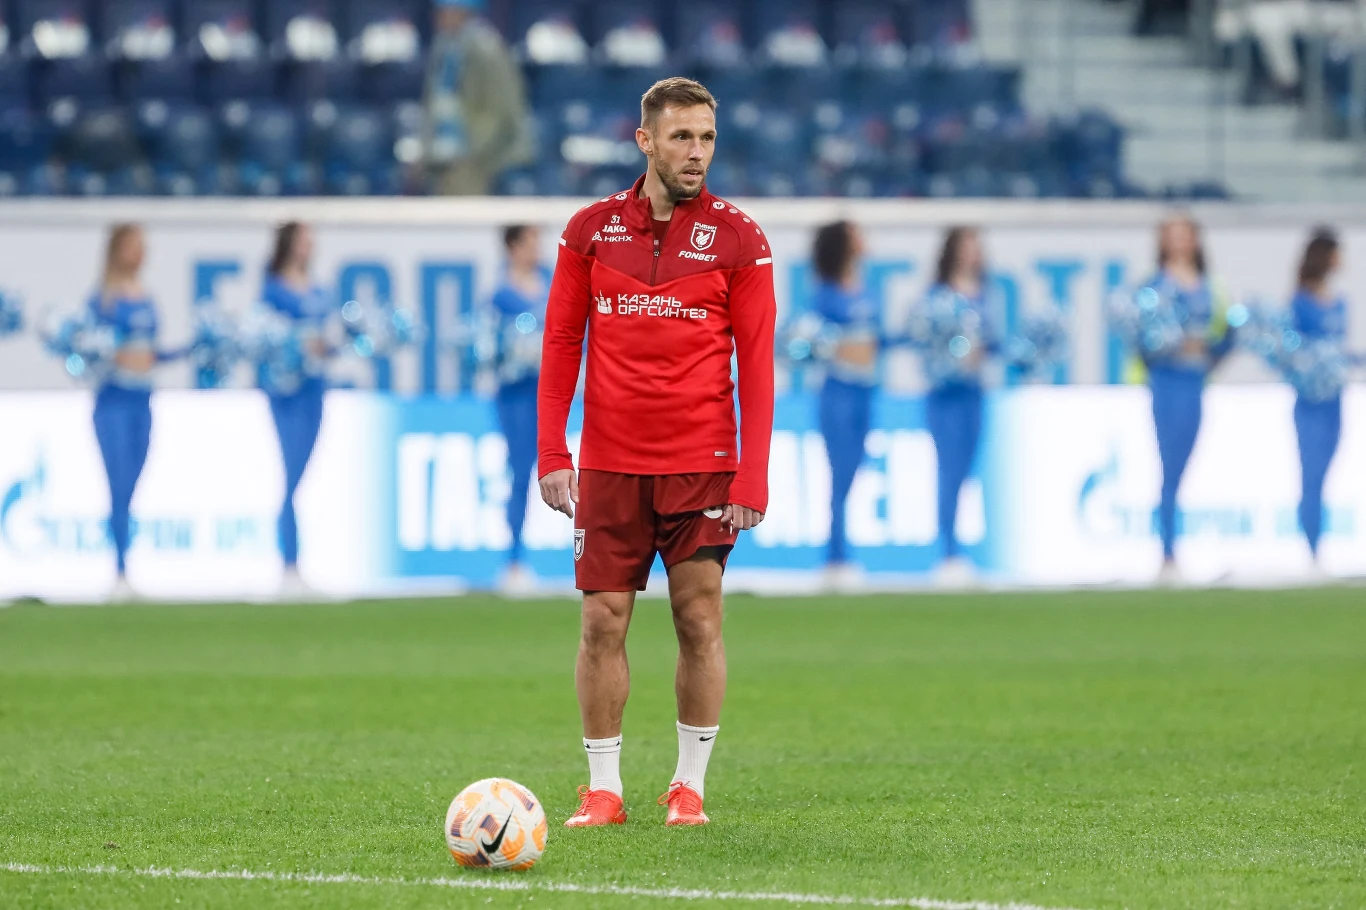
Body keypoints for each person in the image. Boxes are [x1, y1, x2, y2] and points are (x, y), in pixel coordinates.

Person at [538, 77, 775, 828]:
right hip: (609, 464)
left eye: (706, 137)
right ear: (645, 141)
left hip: (702, 464)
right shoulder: (589, 231)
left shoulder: (741, 238)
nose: (697, 152)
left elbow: (759, 365)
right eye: (681, 137)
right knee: (603, 621)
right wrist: (552, 449)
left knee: (697, 619)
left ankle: (688, 787)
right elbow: (561, 343)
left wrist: (754, 475)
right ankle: (603, 790)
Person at [1139, 216, 1234, 582]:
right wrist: (1174, 347)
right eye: (1172, 236)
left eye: (1185, 236)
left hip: (1195, 379)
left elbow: (1226, 332)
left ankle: (1176, 547)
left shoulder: (1212, 286)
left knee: (1184, 464)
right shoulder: (1153, 287)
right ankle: (1167, 552)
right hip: (1167, 380)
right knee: (1169, 465)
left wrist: (1211, 353)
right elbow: (1143, 337)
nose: (1179, 243)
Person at [261, 221, 335, 598]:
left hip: (314, 388)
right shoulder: (273, 290)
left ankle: (295, 563)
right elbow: (265, 339)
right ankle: (288, 564)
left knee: (301, 476)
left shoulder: (319, 289)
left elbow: (330, 336)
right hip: (287, 392)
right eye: (304, 239)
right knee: (290, 476)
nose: (310, 246)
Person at [90, 223, 159, 602]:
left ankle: (125, 565)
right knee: (117, 486)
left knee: (132, 486)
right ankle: (118, 569)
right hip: (114, 401)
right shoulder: (103, 299)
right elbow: (91, 348)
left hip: (143, 400)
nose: (141, 252)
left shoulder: (146, 296)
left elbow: (152, 349)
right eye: (134, 245)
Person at [923, 226, 996, 585]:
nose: (973, 253)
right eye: (967, 246)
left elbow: (993, 342)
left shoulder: (985, 294)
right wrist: (952, 362)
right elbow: (925, 341)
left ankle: (958, 549)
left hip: (974, 392)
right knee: (949, 471)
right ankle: (948, 552)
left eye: (976, 246)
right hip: (945, 395)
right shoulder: (936, 296)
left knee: (966, 471)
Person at [809, 221, 878, 588]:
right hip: (838, 390)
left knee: (854, 469)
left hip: (866, 389)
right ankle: (835, 557)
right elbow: (813, 338)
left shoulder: (865, 290)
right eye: (858, 234)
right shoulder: (827, 293)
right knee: (839, 473)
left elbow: (876, 339)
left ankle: (841, 552)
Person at [491, 224, 550, 594]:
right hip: (516, 394)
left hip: (551, 392)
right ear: (513, 247)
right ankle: (514, 559)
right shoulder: (501, 295)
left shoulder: (550, 282)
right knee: (520, 472)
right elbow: (489, 347)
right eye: (530, 242)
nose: (536, 249)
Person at [423, 0, 531, 195]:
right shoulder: (444, 46)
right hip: (445, 152)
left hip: (475, 156)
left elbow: (502, 108)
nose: (439, 18)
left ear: (463, 12)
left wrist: (477, 151)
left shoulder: (487, 48)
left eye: (445, 12)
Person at [1289, 228, 1347, 570]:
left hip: (1335, 397)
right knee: (1311, 474)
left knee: (1326, 472)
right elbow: (1293, 349)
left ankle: (1318, 545)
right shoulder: (1300, 302)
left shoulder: (1339, 301)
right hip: (1310, 398)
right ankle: (1310, 550)